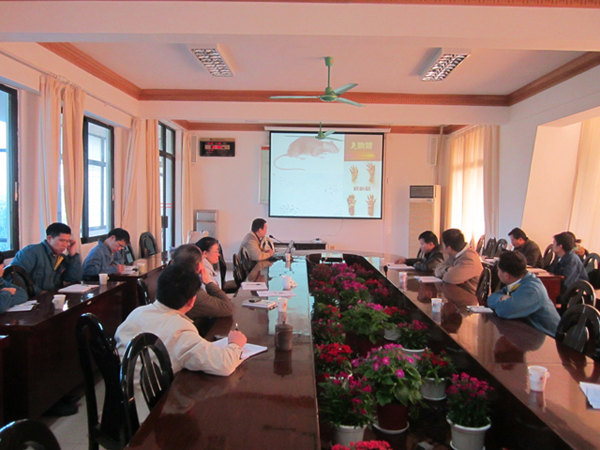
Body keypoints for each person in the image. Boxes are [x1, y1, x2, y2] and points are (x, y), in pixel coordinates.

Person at [114, 265, 247, 420]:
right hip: (153, 413)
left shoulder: (137, 313)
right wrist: (235, 344)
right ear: (192, 300)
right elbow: (223, 364)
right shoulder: (180, 329)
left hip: (122, 405)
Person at [487, 251, 560, 337]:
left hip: (548, 338)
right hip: (528, 332)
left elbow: (504, 311)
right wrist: (502, 298)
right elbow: (491, 298)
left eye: (498, 270)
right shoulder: (519, 281)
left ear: (506, 275)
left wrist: (504, 302)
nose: (497, 273)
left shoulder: (532, 289)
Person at [12, 222, 82, 295]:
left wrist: (72, 254)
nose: (65, 245)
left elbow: (74, 279)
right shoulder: (31, 252)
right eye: (61, 240)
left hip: (53, 296)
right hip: (33, 297)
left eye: (67, 241)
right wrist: (39, 292)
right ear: (49, 238)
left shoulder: (61, 257)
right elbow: (16, 278)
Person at [172, 244, 233, 320]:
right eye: (202, 261)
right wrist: (208, 283)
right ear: (198, 266)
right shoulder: (191, 288)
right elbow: (227, 307)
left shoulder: (170, 280)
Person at [434, 228, 483, 294]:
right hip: (459, 293)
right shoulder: (454, 255)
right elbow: (437, 270)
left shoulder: (469, 259)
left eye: (443, 245)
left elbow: (449, 278)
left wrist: (447, 271)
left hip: (471, 297)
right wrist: (448, 269)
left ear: (449, 248)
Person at [548, 231, 589, 304]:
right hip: (559, 288)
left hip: (572, 294)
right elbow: (551, 272)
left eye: (554, 243)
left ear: (560, 246)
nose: (552, 245)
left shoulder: (572, 260)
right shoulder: (559, 256)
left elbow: (567, 282)